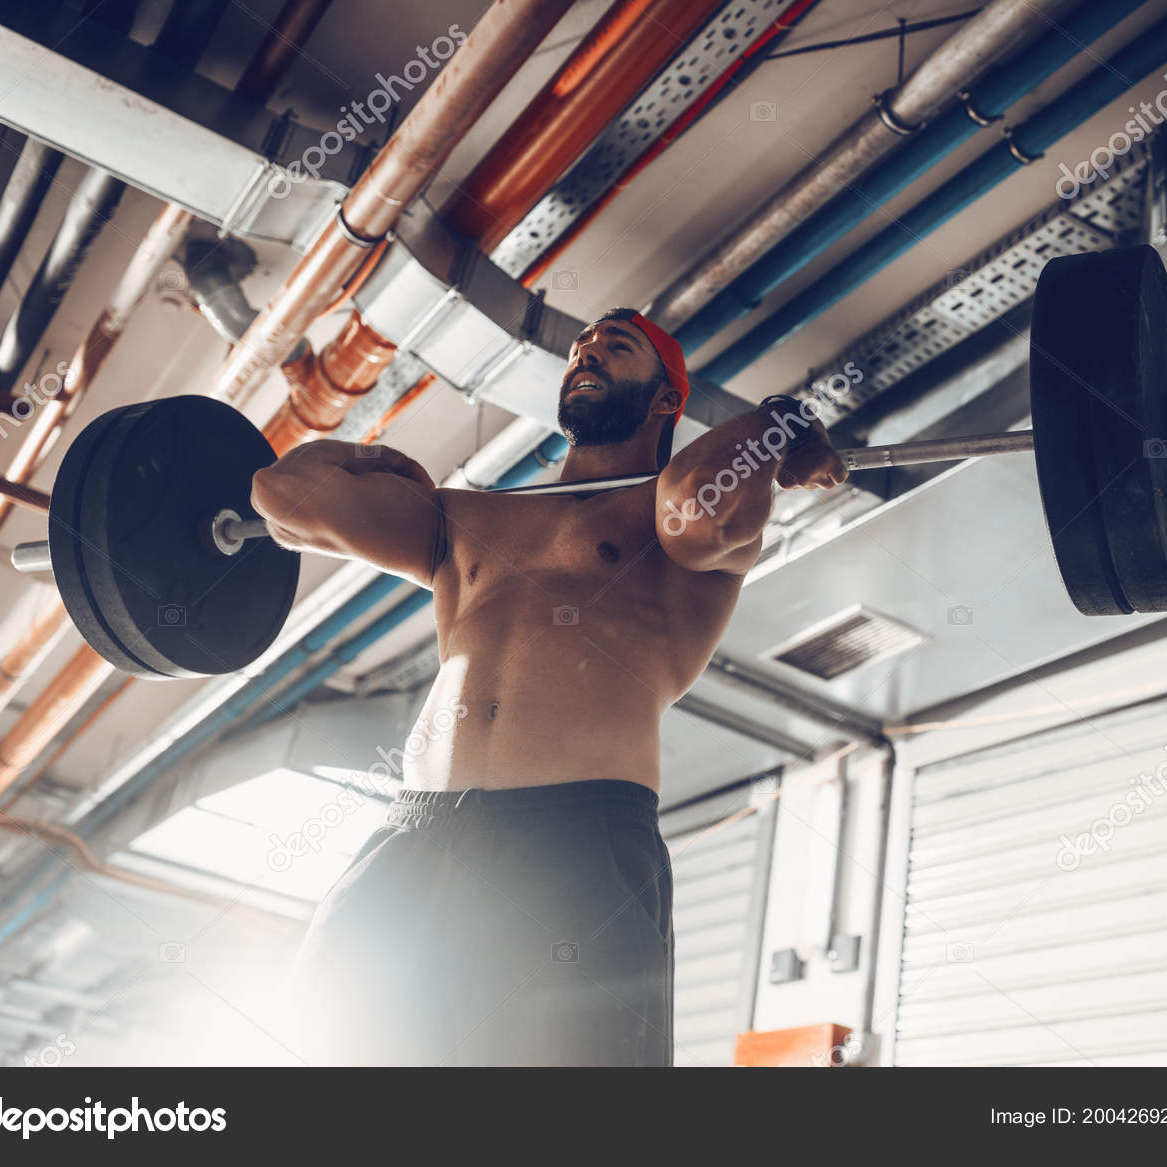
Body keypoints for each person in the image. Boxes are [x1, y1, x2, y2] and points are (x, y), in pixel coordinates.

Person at [252, 307, 847, 1065]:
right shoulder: (465, 518)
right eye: (578, 348)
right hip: (414, 835)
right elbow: (282, 493)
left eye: (616, 346)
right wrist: (373, 462)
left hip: (572, 839)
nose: (587, 354)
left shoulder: (662, 523)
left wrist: (778, 424)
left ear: (670, 400)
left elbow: (700, 501)